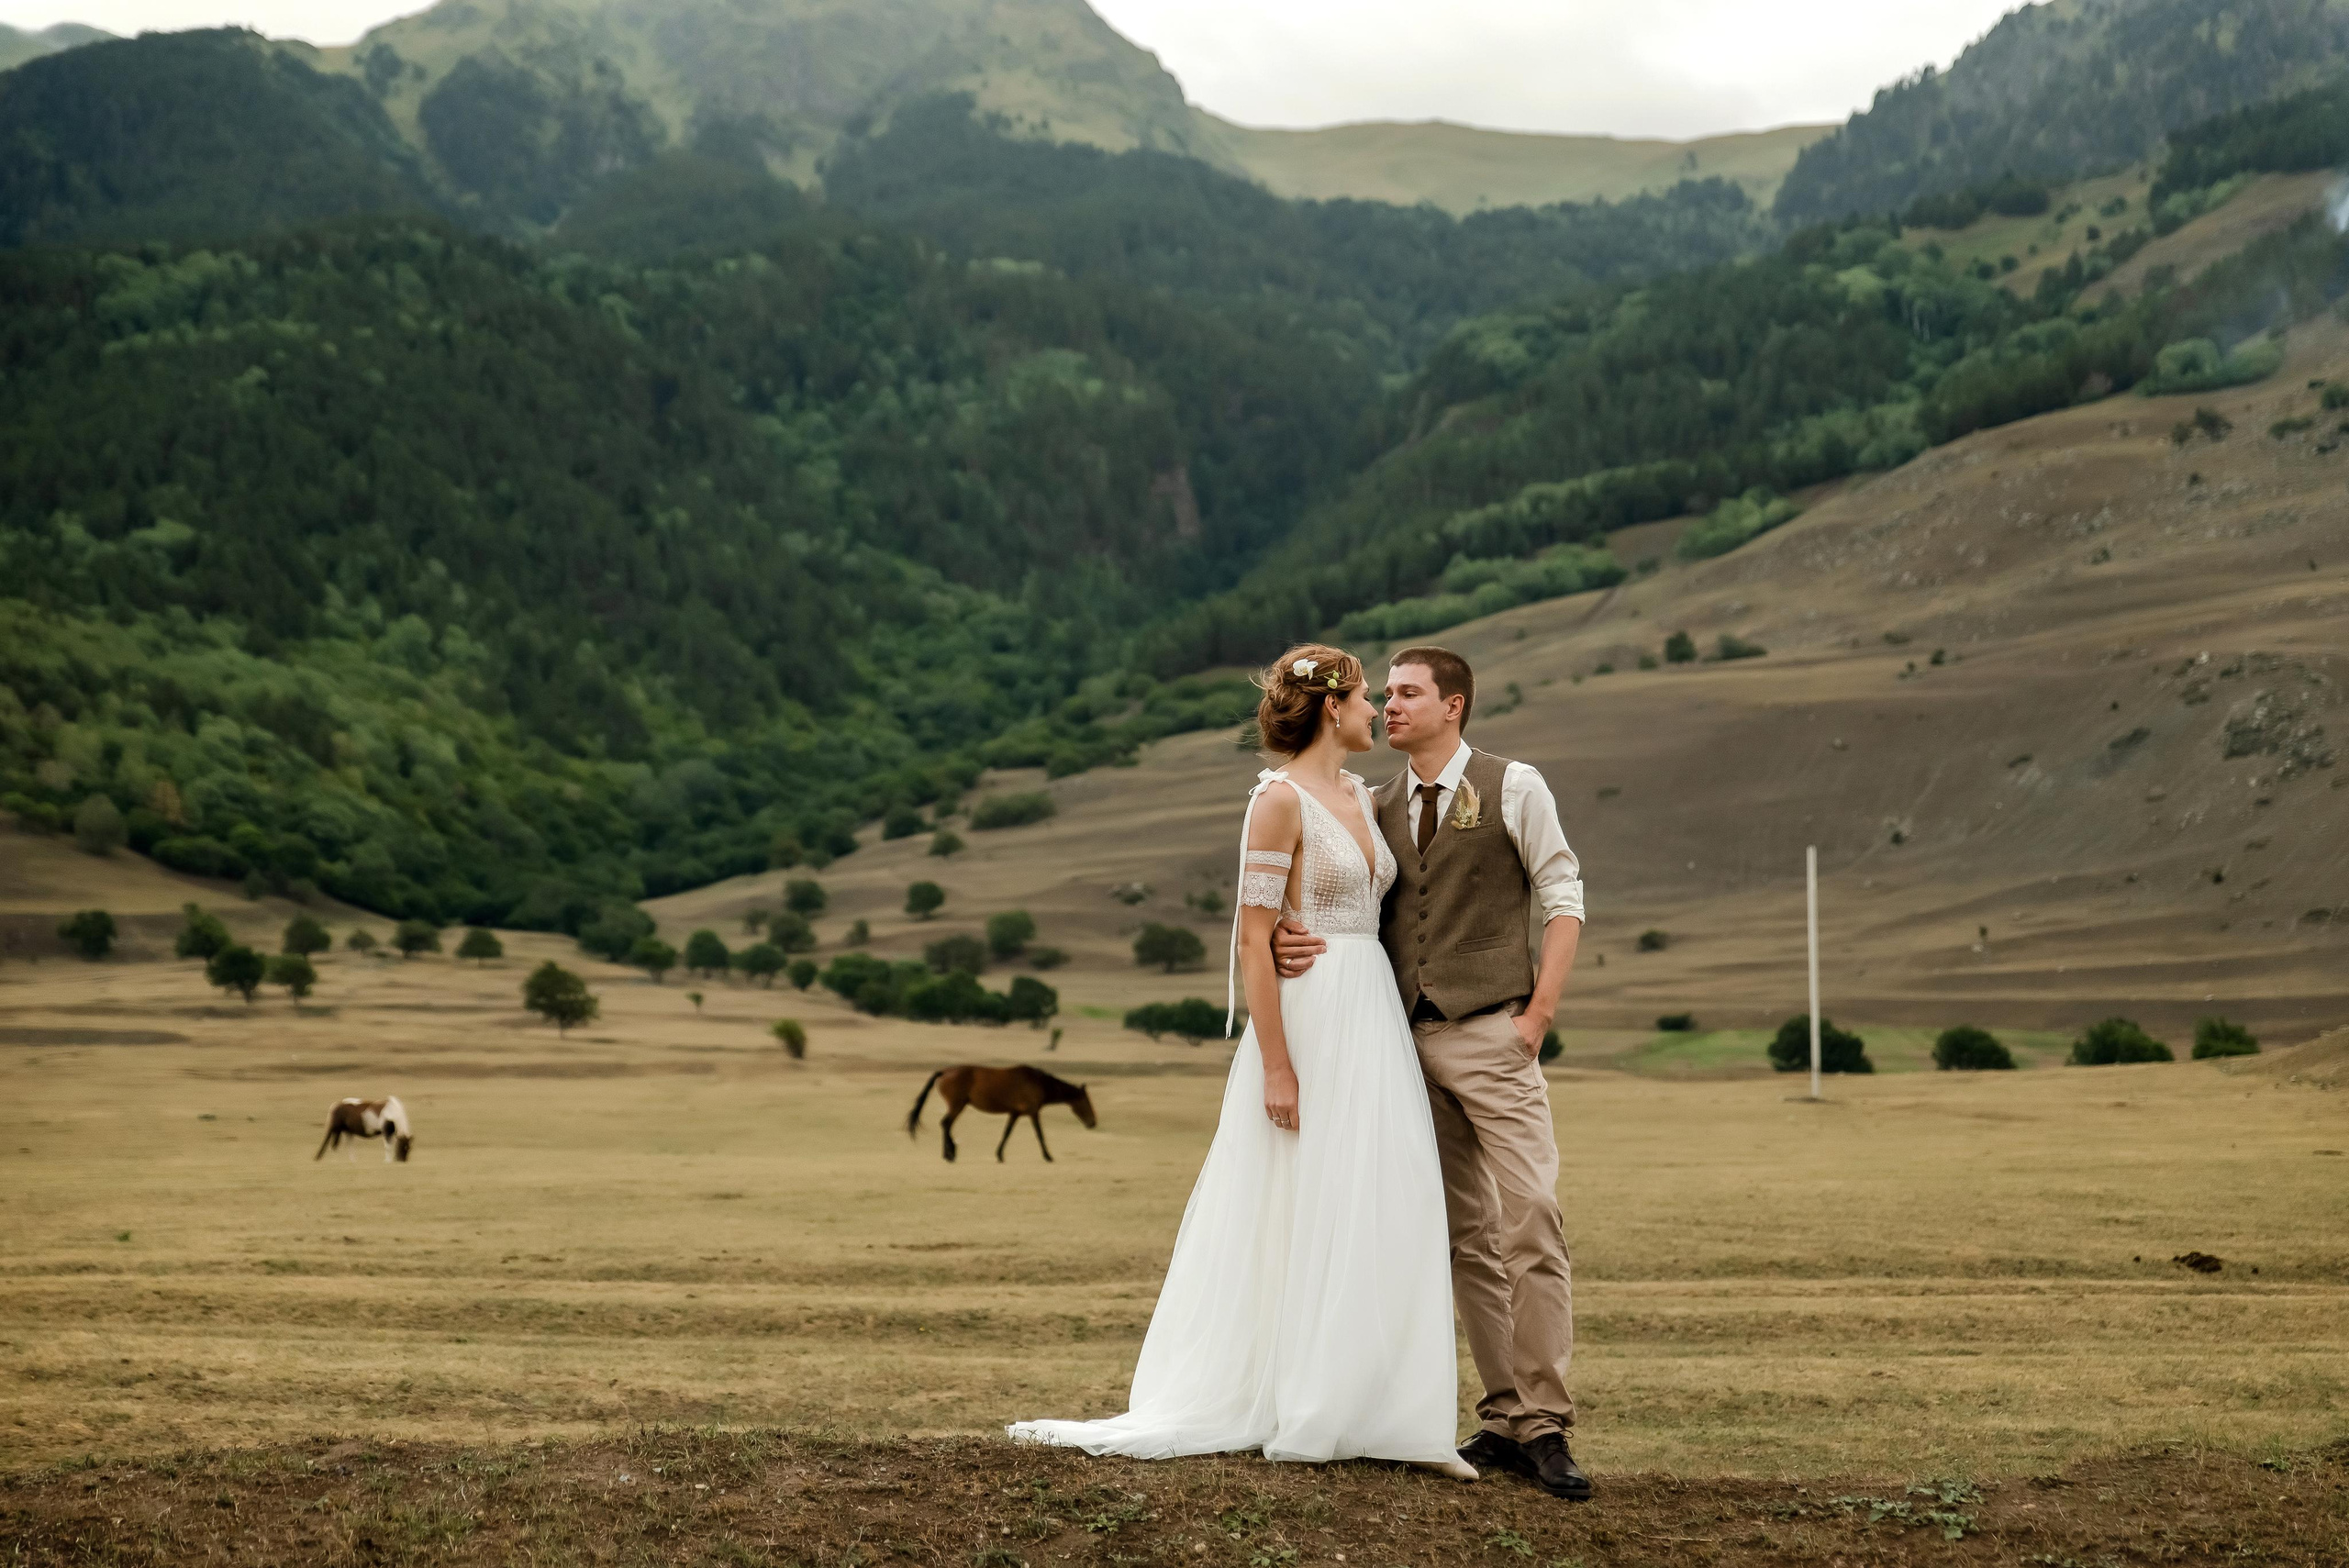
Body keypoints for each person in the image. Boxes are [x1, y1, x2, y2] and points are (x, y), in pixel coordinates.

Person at [1008, 643, 1473, 1479]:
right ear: (1333, 708)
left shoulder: (1363, 797)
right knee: (1298, 1199)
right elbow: (1255, 941)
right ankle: (1297, 1401)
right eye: (1368, 697)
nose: (1377, 712)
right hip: (1309, 1019)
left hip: (1371, 1014)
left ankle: (1380, 1409)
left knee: (1375, 1195)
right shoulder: (1279, 802)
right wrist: (1278, 1066)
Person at [1274, 644, 1590, 1500]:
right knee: (1463, 1237)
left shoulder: (1513, 785)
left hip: (1494, 1034)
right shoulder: (1369, 804)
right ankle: (1502, 1416)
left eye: (1409, 693)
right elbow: (1327, 898)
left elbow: (1564, 898)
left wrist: (1536, 1018)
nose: (1393, 705)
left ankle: (1547, 1420)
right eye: (1388, 694)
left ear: (1454, 705)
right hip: (1401, 1046)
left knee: (1531, 1218)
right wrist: (1279, 936)